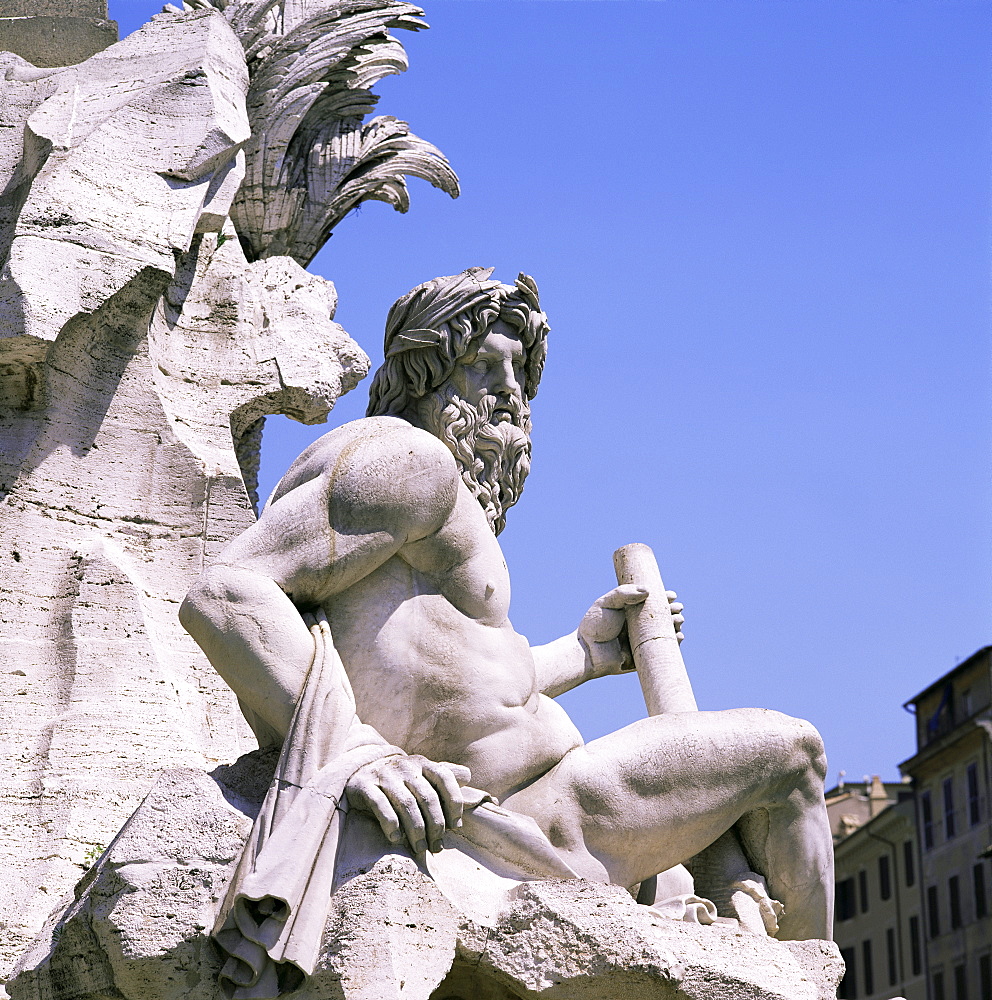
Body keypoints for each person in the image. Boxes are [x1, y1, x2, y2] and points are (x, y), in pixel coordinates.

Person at [180, 267, 833, 942]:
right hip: (529, 815)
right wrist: (356, 750)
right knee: (794, 753)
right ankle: (812, 974)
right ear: (426, 374)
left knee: (738, 820)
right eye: (486, 366)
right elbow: (226, 593)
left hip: (543, 805)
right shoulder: (406, 462)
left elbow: (458, 693)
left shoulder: (442, 511)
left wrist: (583, 654)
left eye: (521, 374)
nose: (511, 395)